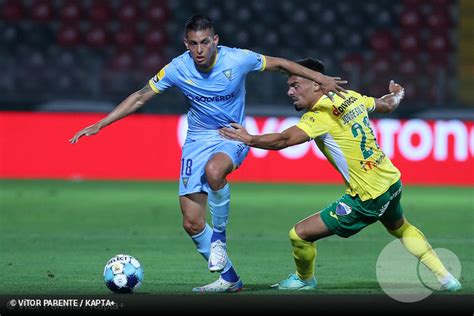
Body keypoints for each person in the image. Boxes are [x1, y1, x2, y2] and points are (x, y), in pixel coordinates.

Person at [69, 16, 347, 292]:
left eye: (205, 42)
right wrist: (102, 123)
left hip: (231, 135)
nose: (200, 50)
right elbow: (141, 95)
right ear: (186, 44)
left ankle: (219, 241)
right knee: (191, 222)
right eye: (193, 44)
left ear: (215, 41)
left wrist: (319, 77)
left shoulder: (237, 60)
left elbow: (281, 64)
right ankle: (229, 279)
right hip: (196, 141)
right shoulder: (177, 68)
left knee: (214, 172)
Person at [219, 58, 462, 292]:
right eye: (289, 86)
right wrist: (398, 92)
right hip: (391, 182)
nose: (290, 92)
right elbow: (387, 104)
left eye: (295, 85)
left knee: (300, 234)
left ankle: (304, 280)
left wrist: (250, 139)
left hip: (367, 197)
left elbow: (284, 139)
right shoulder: (352, 97)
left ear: (316, 83)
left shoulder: (319, 116)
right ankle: (446, 278)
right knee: (401, 228)